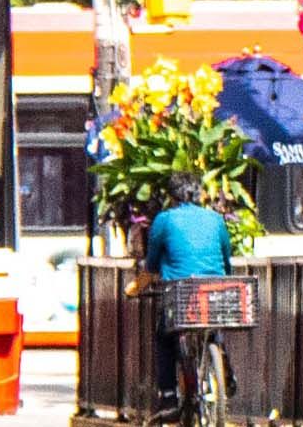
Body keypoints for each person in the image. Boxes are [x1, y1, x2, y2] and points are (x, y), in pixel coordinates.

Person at [124, 171, 233, 419]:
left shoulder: (164, 220)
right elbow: (226, 262)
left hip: (180, 293)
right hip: (214, 291)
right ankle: (224, 366)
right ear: (198, 194)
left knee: (164, 335)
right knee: (213, 326)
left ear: (171, 197)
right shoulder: (216, 219)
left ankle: (169, 396)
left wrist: (135, 288)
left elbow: (151, 266)